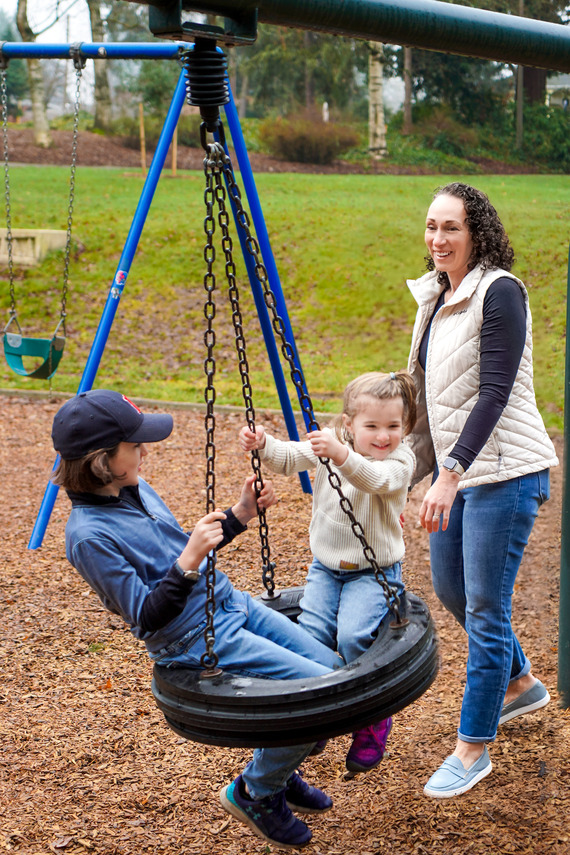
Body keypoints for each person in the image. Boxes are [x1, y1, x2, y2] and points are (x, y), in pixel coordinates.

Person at [51, 389, 345, 851]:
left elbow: (184, 553)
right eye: (135, 446)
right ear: (101, 462)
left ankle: (277, 772)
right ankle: (256, 792)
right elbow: (147, 617)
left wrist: (240, 514)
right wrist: (189, 559)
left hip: (231, 603)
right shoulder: (88, 537)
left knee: (333, 671)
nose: (144, 451)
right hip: (193, 639)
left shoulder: (134, 488)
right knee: (317, 698)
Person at [406, 182, 558, 799]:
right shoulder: (433, 296)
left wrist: (449, 473)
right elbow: (428, 403)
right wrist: (397, 474)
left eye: (452, 228)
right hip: (458, 471)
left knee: (485, 609)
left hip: (504, 473)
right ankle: (521, 684)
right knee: (450, 588)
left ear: (478, 233)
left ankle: (472, 749)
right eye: (432, 227)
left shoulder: (501, 293)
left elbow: (493, 391)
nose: (439, 239)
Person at [239, 370, 417, 774]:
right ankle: (317, 714)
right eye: (371, 426)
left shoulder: (400, 460)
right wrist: (263, 443)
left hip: (376, 571)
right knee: (311, 638)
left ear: (404, 427)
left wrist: (340, 454)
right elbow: (287, 460)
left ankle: (372, 718)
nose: (383, 436)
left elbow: (373, 480)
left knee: (354, 636)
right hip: (326, 567)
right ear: (349, 425)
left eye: (393, 426)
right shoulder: (332, 443)